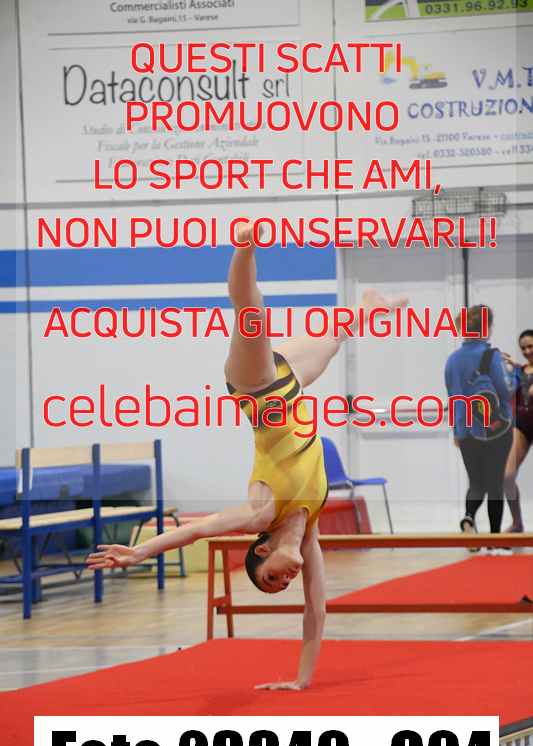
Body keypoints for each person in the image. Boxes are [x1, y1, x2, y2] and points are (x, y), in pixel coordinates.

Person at [87, 221, 407, 690]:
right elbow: (317, 611)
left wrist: (140, 551)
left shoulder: (260, 512)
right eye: (283, 586)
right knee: (338, 337)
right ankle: (368, 307)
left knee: (252, 312)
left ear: (261, 550)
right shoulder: (310, 530)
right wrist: (300, 681)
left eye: (272, 579)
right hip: (292, 384)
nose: (285, 581)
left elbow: (198, 530)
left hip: (255, 389)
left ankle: (245, 245)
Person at [444, 305, 514, 539]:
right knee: (494, 484)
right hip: (496, 429)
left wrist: (457, 430)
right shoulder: (493, 356)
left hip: (466, 431)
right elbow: (506, 390)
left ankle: (469, 516)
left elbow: (453, 397)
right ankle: (494, 539)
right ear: (487, 327)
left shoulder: (452, 360)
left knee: (476, 483)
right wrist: (512, 372)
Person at [503, 329, 533, 532]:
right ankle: (517, 523)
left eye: (531, 346)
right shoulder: (521, 370)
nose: (527, 351)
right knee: (507, 476)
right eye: (523, 348)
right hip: (522, 426)